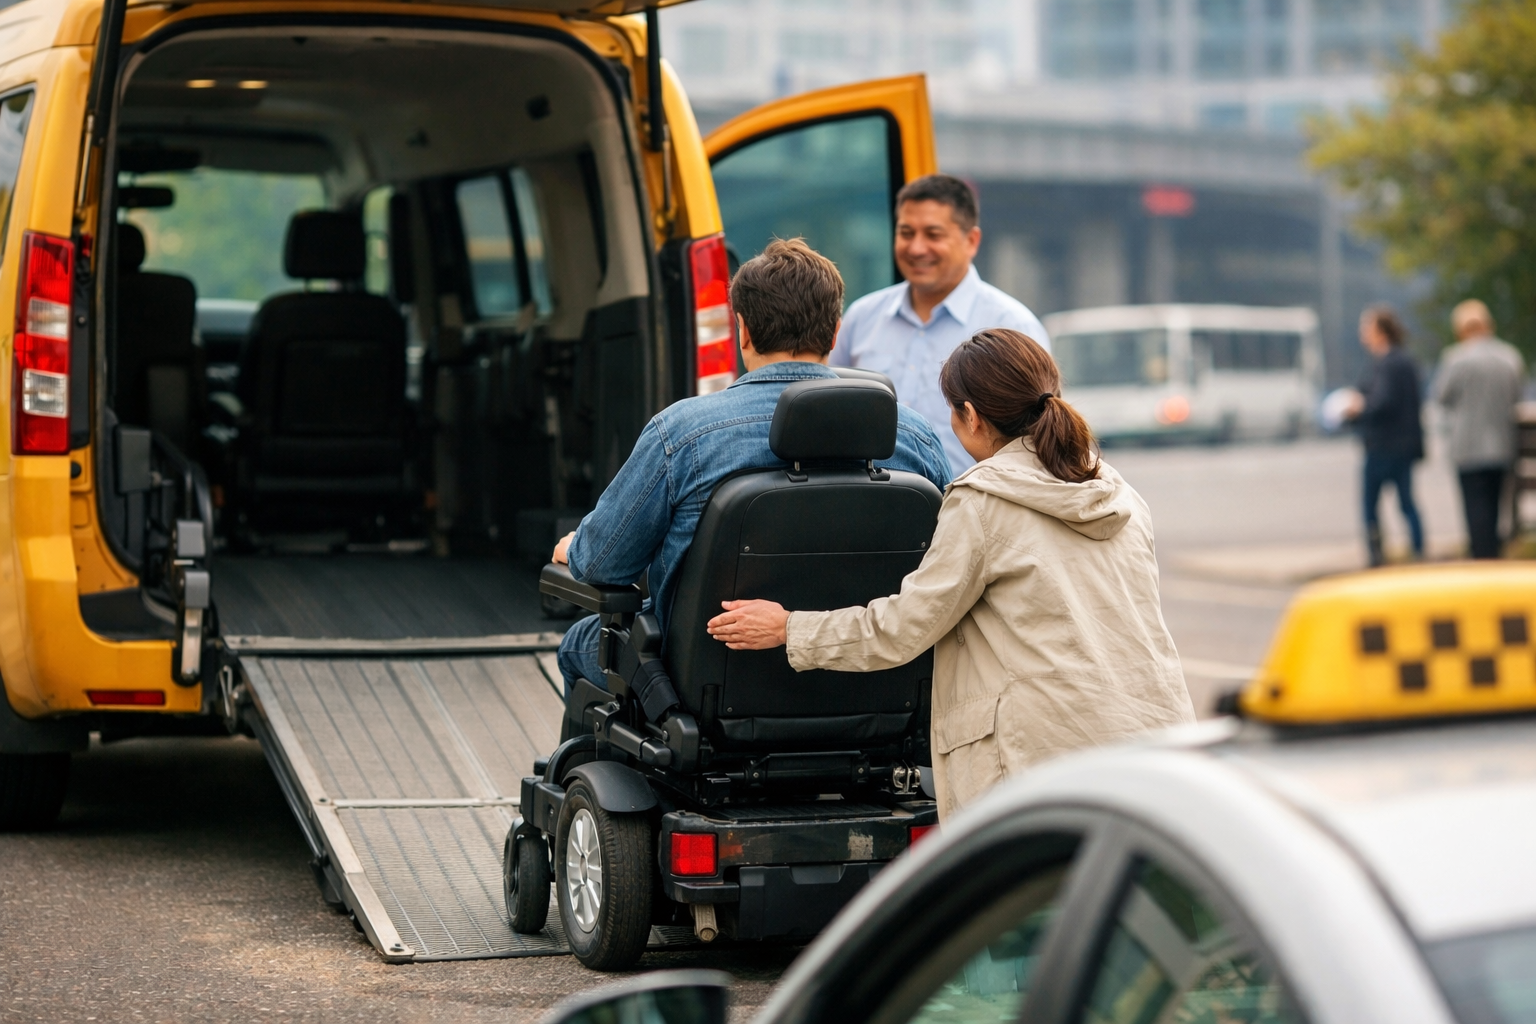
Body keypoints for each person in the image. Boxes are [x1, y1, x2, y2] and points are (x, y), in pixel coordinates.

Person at [707, 328, 1195, 820]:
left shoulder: (983, 502)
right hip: (1153, 747)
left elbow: (904, 628)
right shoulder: (1120, 495)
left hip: (1043, 762)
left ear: (972, 417)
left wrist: (790, 628)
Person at [551, 238, 952, 699]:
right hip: (881, 691)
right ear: (835, 333)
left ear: (741, 329)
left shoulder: (680, 434)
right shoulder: (914, 436)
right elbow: (950, 564)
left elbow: (603, 566)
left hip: (703, 692)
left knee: (579, 644)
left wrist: (577, 548)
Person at [833, 174, 1050, 477]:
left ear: (971, 241)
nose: (916, 248)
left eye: (933, 235)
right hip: (869, 500)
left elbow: (1039, 438)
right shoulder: (862, 318)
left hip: (976, 503)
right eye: (906, 233)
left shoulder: (1012, 326)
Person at [1432, 299, 1525, 559]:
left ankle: (1481, 556)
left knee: (1474, 506)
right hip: (1502, 444)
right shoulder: (1509, 356)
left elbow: (1441, 396)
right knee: (1494, 505)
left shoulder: (1455, 359)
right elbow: (1517, 394)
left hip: (1467, 446)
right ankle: (1493, 552)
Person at [1345, 305, 1425, 566]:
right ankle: (1418, 551)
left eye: (1366, 328)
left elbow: (1382, 402)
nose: (1362, 334)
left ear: (1380, 331)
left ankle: (1377, 556)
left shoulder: (1387, 364)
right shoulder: (1404, 361)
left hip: (1383, 445)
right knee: (1407, 503)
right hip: (1403, 445)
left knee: (1371, 506)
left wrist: (1358, 407)